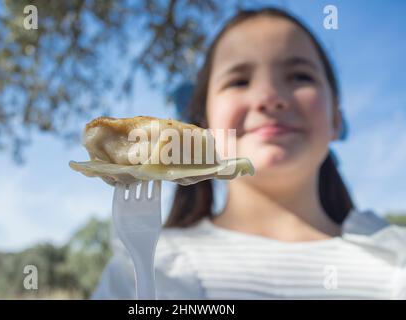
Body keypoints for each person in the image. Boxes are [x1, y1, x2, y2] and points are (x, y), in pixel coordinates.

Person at [92, 8, 406, 299]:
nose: (270, 98)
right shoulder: (141, 269)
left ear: (336, 120)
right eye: (239, 80)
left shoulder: (396, 267)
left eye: (300, 76)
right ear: (204, 127)